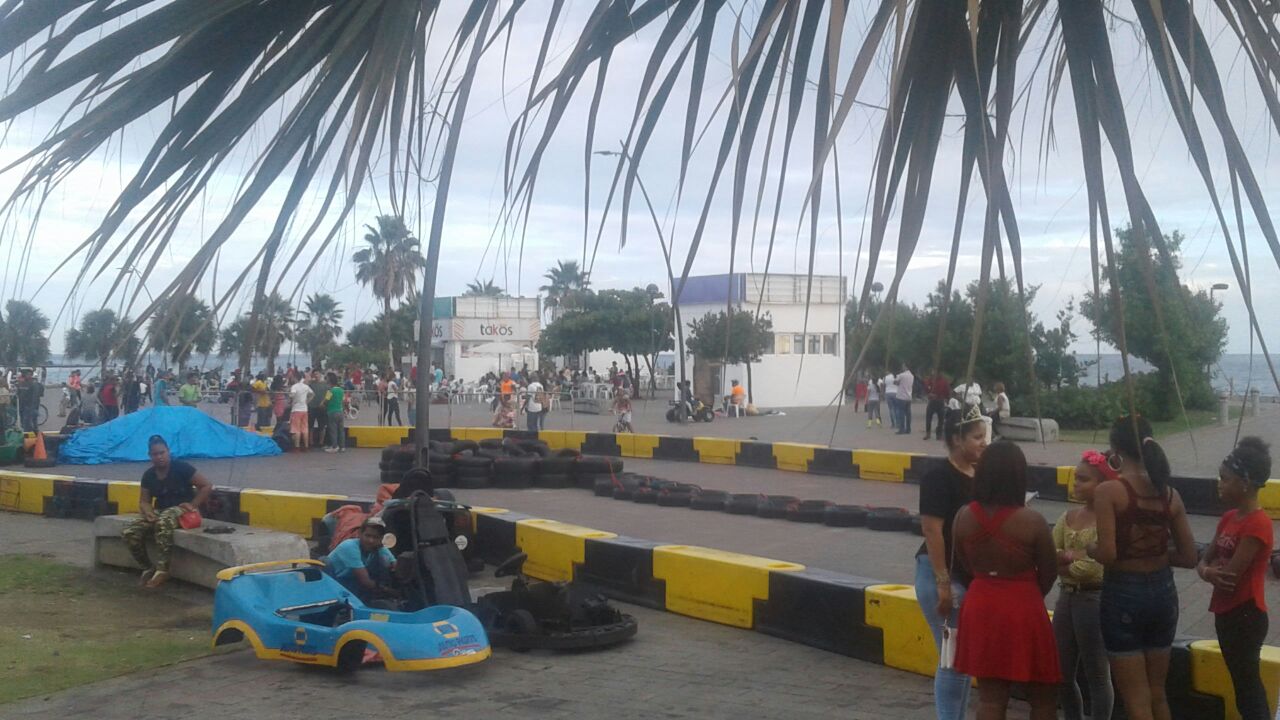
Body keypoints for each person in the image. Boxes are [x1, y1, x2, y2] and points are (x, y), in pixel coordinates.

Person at [1088, 415, 1198, 720]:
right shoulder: (1170, 494)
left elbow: (1108, 554)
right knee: (1157, 693)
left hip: (1123, 594)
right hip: (1164, 593)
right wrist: (1158, 554)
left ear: (1115, 451)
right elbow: (1190, 557)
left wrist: (1089, 548)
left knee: (1135, 699)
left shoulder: (1109, 492)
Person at [952, 441, 1060, 720]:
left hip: (981, 602)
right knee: (1043, 696)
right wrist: (1028, 591)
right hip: (1023, 605)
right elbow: (1049, 571)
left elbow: (962, 564)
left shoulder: (963, 516)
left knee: (990, 698)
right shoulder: (1032, 521)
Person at [914, 406, 989, 720]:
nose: (984, 443)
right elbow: (932, 530)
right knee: (953, 658)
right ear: (957, 439)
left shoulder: (980, 476)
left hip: (968, 574)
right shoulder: (939, 477)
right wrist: (944, 582)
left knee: (961, 661)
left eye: (985, 437)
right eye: (977, 437)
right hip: (940, 573)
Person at [1198, 437, 1273, 720]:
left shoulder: (1258, 523)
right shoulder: (1229, 516)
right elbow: (1204, 559)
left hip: (1246, 614)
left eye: (1224, 479)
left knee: (1248, 686)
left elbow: (1229, 576)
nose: (1219, 483)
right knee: (1242, 686)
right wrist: (1207, 570)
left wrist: (1208, 570)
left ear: (1245, 483)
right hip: (1226, 613)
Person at [1054, 450, 1117, 720]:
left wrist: (1067, 561)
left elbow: (1093, 570)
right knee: (1061, 673)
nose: (1075, 484)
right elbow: (1050, 554)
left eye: (1083, 479)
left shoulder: (1108, 521)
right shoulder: (1067, 517)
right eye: (1075, 478)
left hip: (1094, 601)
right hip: (1066, 599)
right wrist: (1074, 558)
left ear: (1102, 485)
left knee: (1097, 675)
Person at [121, 435, 212, 589]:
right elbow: (144, 501)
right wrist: (148, 512)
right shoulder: (149, 475)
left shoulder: (182, 468)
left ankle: (163, 569)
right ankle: (147, 567)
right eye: (155, 454)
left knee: (164, 520)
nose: (159, 457)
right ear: (150, 456)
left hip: (184, 512)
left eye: (162, 453)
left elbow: (206, 486)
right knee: (130, 531)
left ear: (168, 452)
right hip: (161, 511)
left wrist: (193, 504)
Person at [323, 517, 397, 605]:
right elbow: (366, 581)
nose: (371, 540)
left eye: (376, 537)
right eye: (368, 536)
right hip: (336, 584)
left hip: (353, 584)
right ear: (360, 533)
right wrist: (390, 592)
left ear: (381, 539)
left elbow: (394, 564)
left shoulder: (379, 548)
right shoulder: (349, 546)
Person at [289, 375, 314, 452]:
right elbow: (312, 394)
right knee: (305, 428)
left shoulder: (294, 386)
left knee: (296, 429)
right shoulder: (306, 386)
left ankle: (297, 447)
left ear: (296, 378)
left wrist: (290, 396)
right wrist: (307, 401)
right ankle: (306, 446)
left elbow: (292, 395)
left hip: (296, 409)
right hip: (304, 409)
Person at [323, 373, 346, 453]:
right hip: (340, 411)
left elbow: (326, 401)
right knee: (341, 430)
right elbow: (343, 401)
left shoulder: (330, 391)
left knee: (333, 430)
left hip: (332, 411)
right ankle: (342, 447)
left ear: (330, 382)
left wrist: (322, 405)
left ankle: (334, 446)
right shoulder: (341, 390)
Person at [924, 370, 950, 441]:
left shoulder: (944, 381)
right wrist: (929, 393)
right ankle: (928, 433)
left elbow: (947, 391)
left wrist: (947, 400)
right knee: (928, 418)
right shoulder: (930, 380)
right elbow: (926, 388)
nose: (933, 373)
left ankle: (939, 435)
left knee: (941, 419)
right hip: (932, 401)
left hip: (940, 401)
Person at [307, 370, 329, 446]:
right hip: (311, 407)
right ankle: (310, 442)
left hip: (322, 407)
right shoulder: (310, 384)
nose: (316, 375)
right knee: (310, 426)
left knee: (322, 426)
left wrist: (324, 402)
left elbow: (329, 394)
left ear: (320, 374)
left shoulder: (325, 384)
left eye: (317, 374)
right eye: (314, 374)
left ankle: (321, 442)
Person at [895, 364, 915, 436]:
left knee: (901, 414)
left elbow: (895, 382)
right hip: (908, 396)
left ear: (906, 367)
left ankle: (902, 429)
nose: (902, 367)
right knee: (908, 414)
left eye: (903, 366)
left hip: (901, 397)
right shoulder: (912, 376)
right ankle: (908, 429)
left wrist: (897, 381)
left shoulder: (901, 375)